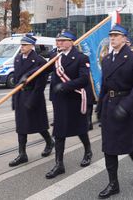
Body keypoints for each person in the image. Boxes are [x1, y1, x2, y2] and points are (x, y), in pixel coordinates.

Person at [97, 24, 133, 199]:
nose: (112, 38)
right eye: (111, 35)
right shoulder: (106, 59)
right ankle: (113, 184)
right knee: (109, 147)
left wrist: (126, 105)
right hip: (109, 107)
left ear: (125, 39)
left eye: (117, 35)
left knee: (130, 145)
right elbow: (105, 85)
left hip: (127, 107)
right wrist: (99, 106)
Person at [45, 30, 93, 179]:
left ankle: (88, 151)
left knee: (80, 129)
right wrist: (28, 76)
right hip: (60, 100)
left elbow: (84, 79)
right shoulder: (55, 57)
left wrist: (66, 86)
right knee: (59, 132)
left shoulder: (81, 58)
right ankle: (59, 164)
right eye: (58, 40)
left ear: (72, 42)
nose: (59, 43)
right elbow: (43, 70)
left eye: (63, 40)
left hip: (74, 98)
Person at [9, 34, 54, 167]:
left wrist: (32, 100)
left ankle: (49, 142)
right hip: (20, 96)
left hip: (33, 96)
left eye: (24, 45)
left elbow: (41, 85)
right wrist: (14, 99)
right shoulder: (17, 59)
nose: (21, 47)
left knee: (38, 124)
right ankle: (22, 154)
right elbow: (17, 81)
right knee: (21, 127)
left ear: (31, 46)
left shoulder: (39, 61)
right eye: (21, 45)